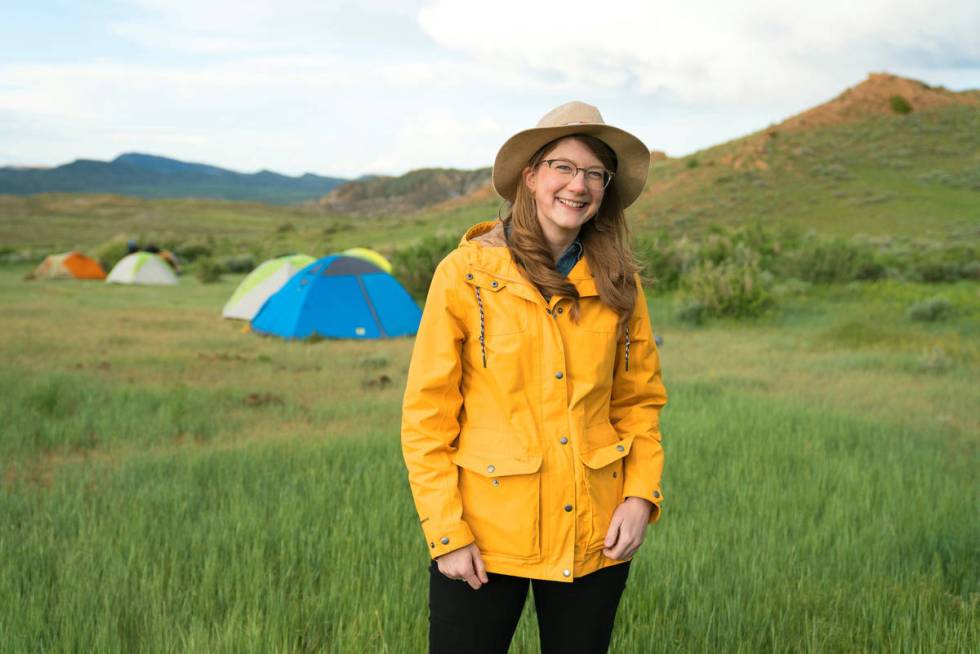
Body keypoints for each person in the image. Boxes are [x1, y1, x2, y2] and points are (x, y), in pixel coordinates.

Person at [401, 101, 667, 654]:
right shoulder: (465, 274)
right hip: (483, 536)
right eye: (564, 167)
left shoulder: (619, 283)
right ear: (531, 176)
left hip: (595, 532)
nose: (580, 185)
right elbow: (427, 417)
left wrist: (640, 496)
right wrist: (446, 534)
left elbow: (639, 402)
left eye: (596, 173)